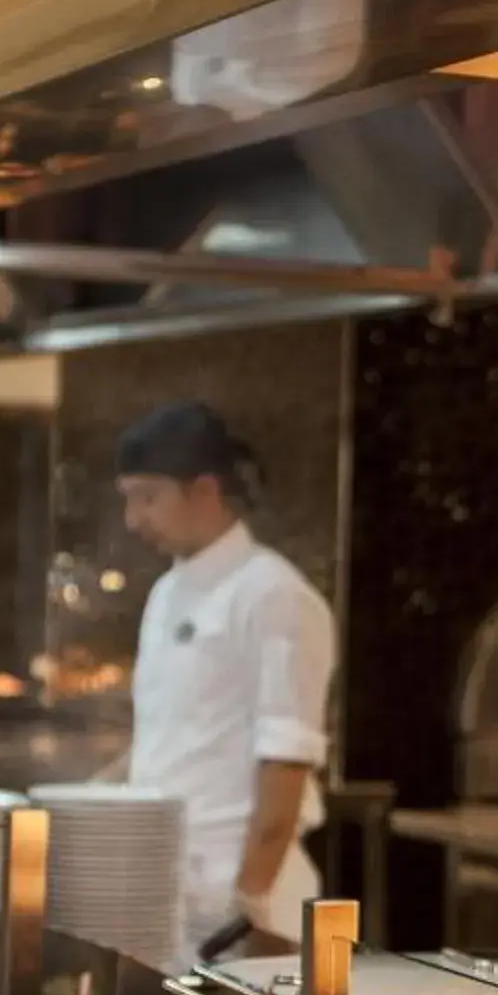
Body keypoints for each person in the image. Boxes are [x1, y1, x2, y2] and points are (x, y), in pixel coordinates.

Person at [115, 402, 336, 952]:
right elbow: (166, 738)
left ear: (205, 491)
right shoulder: (168, 592)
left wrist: (249, 903)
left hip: (240, 905)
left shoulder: (272, 595)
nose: (133, 520)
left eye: (148, 497)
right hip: (168, 893)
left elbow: (286, 760)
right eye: (127, 500)